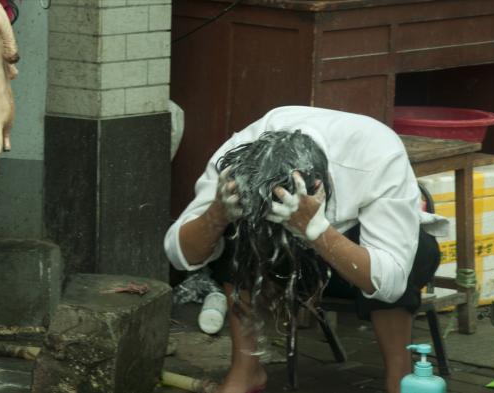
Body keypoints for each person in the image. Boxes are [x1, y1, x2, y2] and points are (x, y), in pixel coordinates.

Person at [164, 106, 445, 393]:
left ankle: (400, 376)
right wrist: (217, 214)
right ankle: (246, 371)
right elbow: (179, 253)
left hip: (348, 261)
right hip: (281, 266)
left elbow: (391, 282)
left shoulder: (377, 155)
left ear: (320, 187)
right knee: (232, 234)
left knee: (414, 254)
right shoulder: (239, 158)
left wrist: (317, 230)